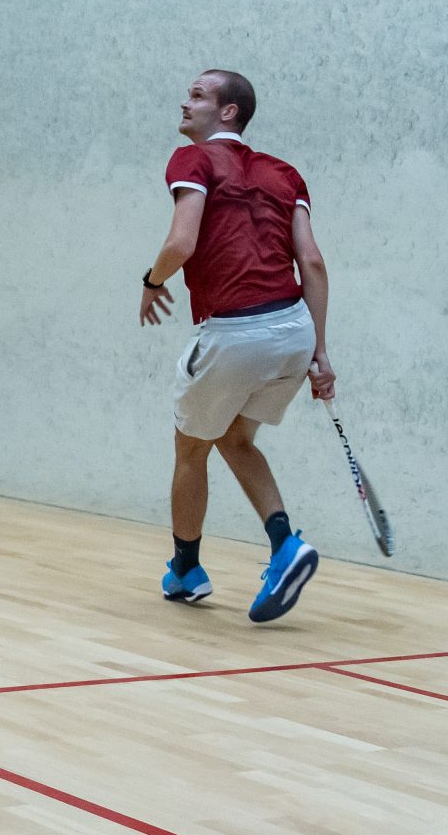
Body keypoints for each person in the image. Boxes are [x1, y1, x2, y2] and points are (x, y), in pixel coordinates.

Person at [140, 69, 336, 622]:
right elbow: (312, 262)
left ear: (228, 112)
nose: (185, 102)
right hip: (294, 330)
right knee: (233, 437)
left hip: (234, 332)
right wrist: (320, 353)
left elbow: (181, 242)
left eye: (198, 95)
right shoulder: (285, 173)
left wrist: (152, 282)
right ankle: (285, 544)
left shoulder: (192, 160)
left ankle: (186, 571)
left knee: (190, 448)